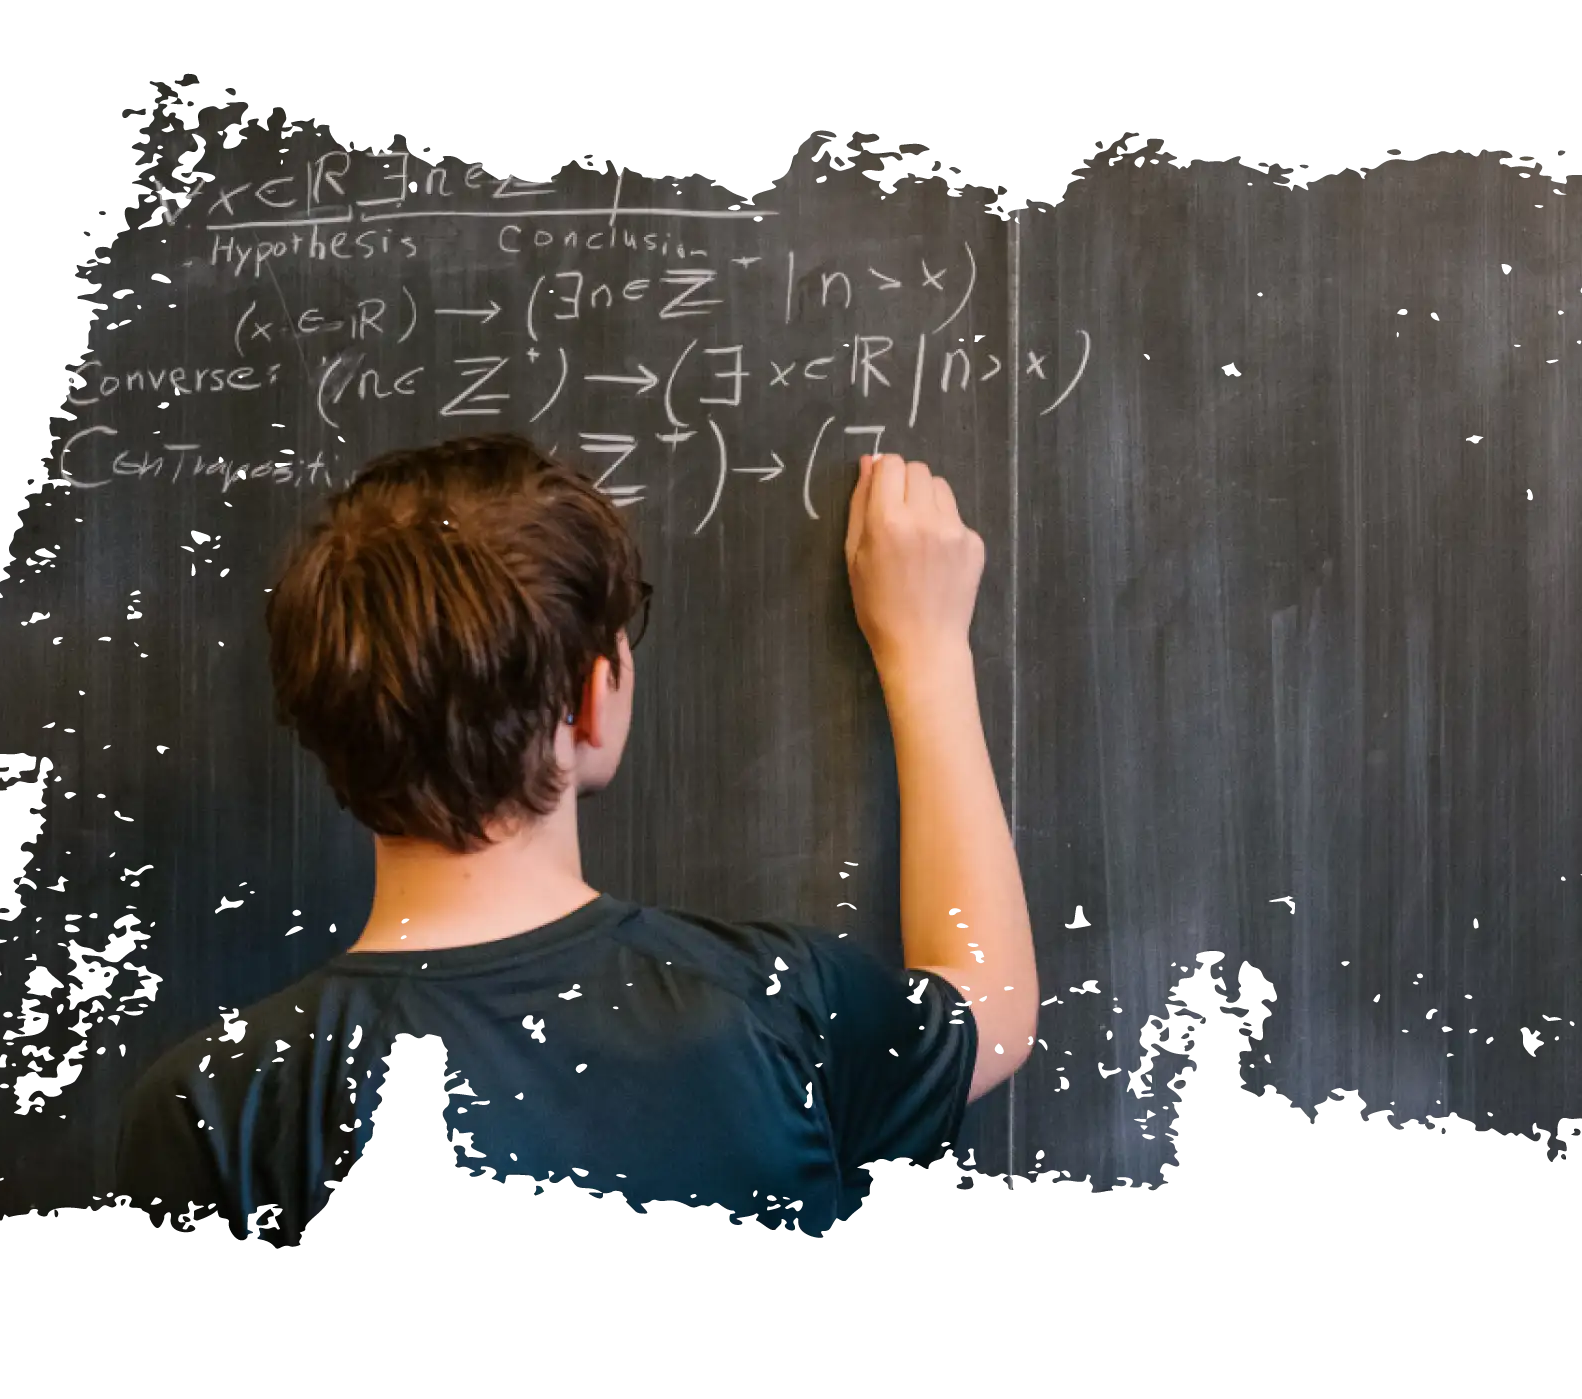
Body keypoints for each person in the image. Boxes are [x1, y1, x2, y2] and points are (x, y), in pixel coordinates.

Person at [109, 433, 1038, 1247]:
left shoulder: (216, 1108)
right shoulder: (776, 1012)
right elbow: (992, 1002)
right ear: (592, 701)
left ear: (328, 727)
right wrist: (924, 646)